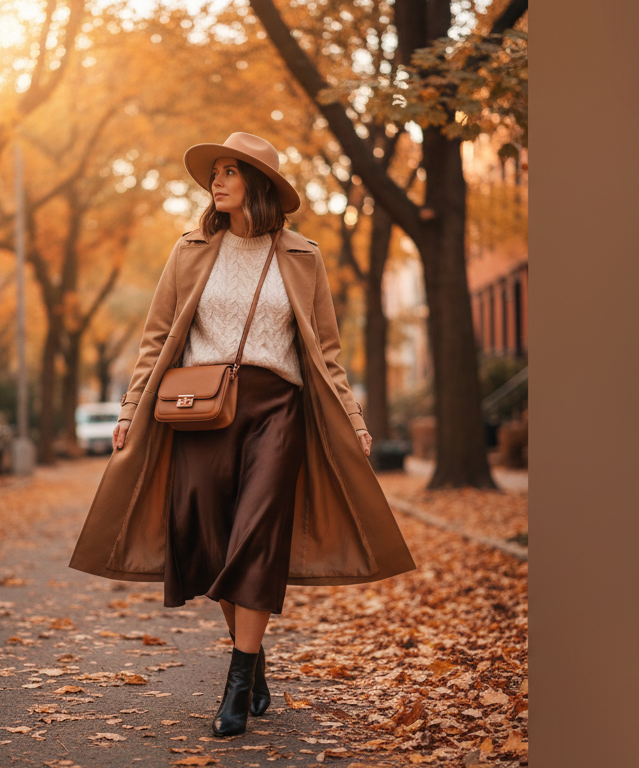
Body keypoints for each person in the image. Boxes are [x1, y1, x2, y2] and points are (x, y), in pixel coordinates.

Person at [68, 132, 415, 738]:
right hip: (199, 411)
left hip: (277, 408)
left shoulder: (303, 256)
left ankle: (236, 680)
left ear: (259, 186)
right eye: (215, 172)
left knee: (255, 537)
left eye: (231, 172)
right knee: (208, 538)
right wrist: (129, 409)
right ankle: (256, 662)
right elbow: (156, 339)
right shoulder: (192, 249)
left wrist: (355, 420)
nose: (217, 181)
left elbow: (326, 350)